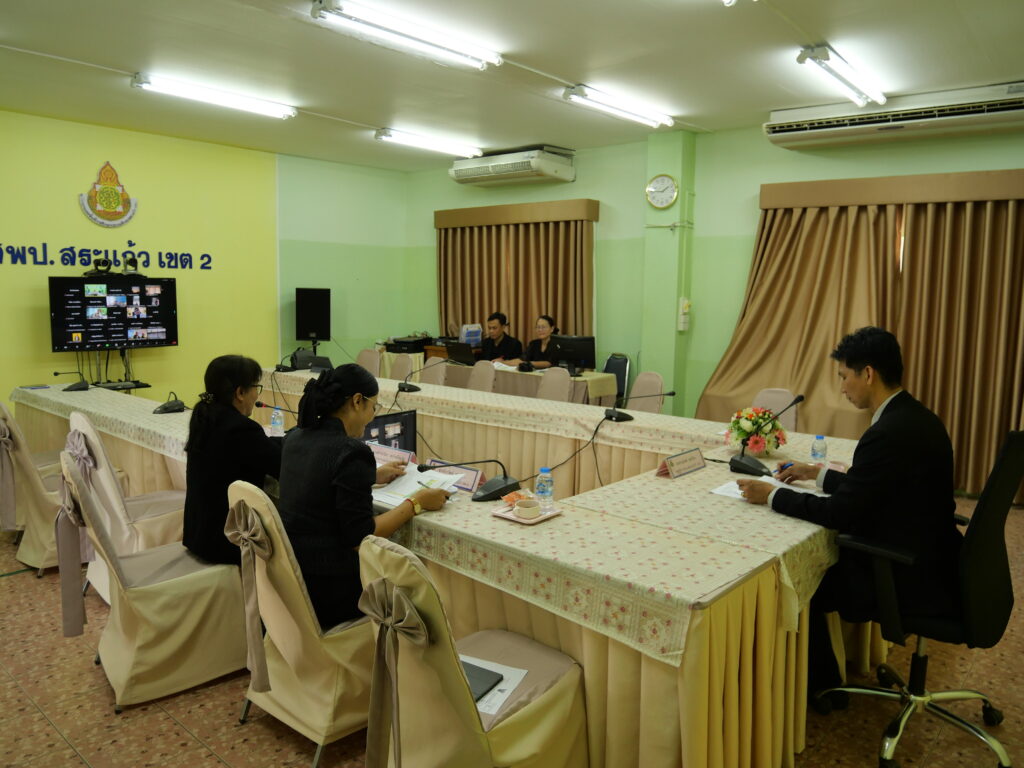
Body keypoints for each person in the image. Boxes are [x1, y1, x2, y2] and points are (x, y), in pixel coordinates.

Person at [737, 327, 963, 704]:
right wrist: (817, 474)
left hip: (906, 572)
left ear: (868, 373)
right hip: (935, 557)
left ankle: (823, 689)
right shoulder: (916, 417)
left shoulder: (887, 432)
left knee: (801, 576)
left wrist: (773, 495)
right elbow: (875, 488)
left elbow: (841, 512)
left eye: (844, 376)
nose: (842, 388)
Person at [277, 364, 449, 630]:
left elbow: (319, 479)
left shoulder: (295, 437)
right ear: (357, 401)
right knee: (421, 596)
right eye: (374, 407)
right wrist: (417, 502)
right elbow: (361, 538)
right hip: (334, 591)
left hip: (293, 579)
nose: (372, 417)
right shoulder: (351, 451)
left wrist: (372, 475)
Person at [184, 355, 283, 565]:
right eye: (256, 387)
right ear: (240, 393)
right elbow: (281, 466)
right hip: (229, 542)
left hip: (199, 534)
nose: (257, 394)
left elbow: (260, 449)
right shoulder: (241, 429)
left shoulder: (205, 415)